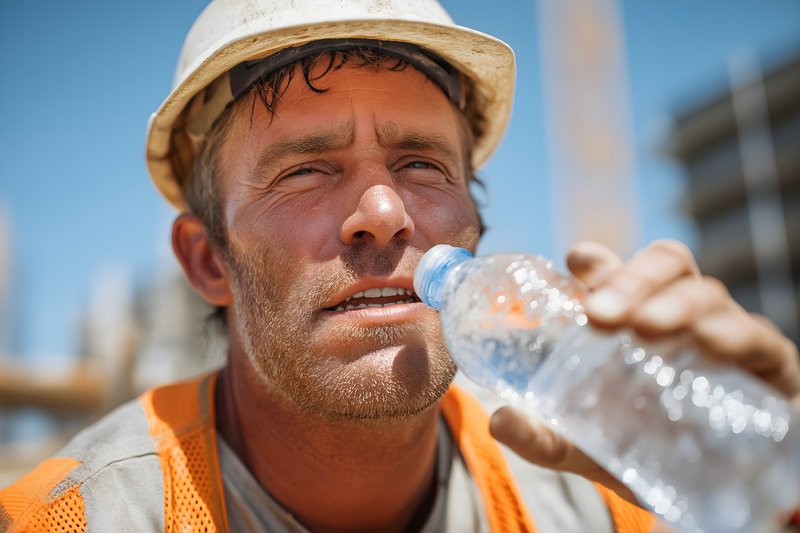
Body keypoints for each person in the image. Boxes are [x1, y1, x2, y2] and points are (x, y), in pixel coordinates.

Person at [2, 1, 799, 531]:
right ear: (207, 259)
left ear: (475, 230)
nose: (385, 214)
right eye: (306, 170)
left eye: (421, 164)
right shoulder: (69, 517)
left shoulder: (611, 500)